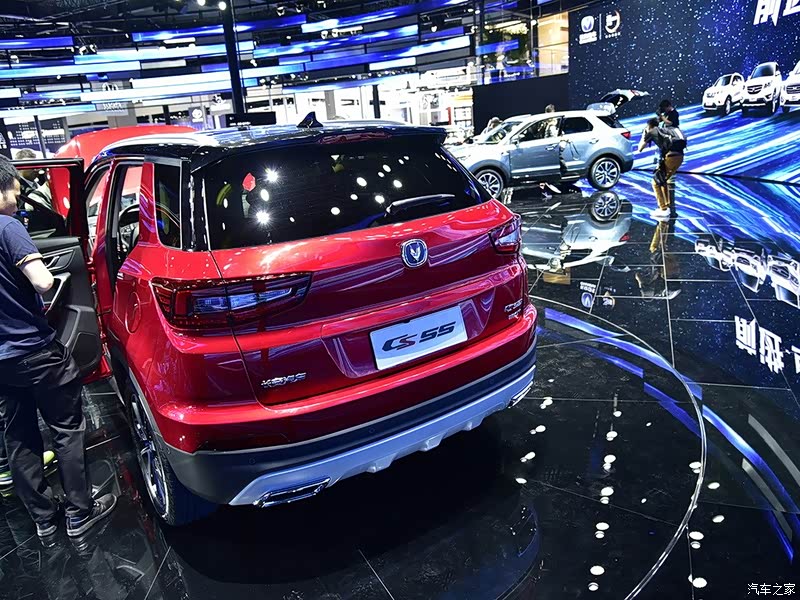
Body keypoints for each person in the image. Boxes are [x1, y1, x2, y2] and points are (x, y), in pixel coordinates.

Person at [0, 156, 116, 538]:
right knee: (67, 429)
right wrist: (44, 276)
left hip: (2, 361)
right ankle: (80, 513)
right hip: (34, 350)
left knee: (18, 438)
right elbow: (43, 282)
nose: (18, 196)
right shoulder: (8, 227)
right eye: (15, 189)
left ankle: (44, 520)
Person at [638, 117, 687, 219]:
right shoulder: (664, 130)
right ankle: (666, 206)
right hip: (679, 157)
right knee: (663, 180)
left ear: (649, 126)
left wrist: (644, 134)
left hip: (671, 157)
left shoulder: (652, 132)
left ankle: (663, 209)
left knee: (655, 183)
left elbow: (640, 148)